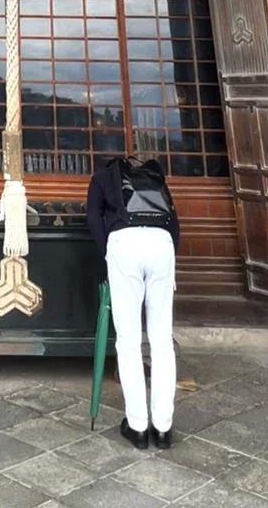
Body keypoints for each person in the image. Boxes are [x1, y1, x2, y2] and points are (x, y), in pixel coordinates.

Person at [86, 152, 179, 451]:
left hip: (124, 244)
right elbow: (173, 222)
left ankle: (138, 426)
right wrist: (168, 253)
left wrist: (106, 253)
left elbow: (93, 216)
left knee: (127, 340)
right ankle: (163, 429)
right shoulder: (153, 178)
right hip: (161, 243)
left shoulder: (102, 178)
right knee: (162, 340)